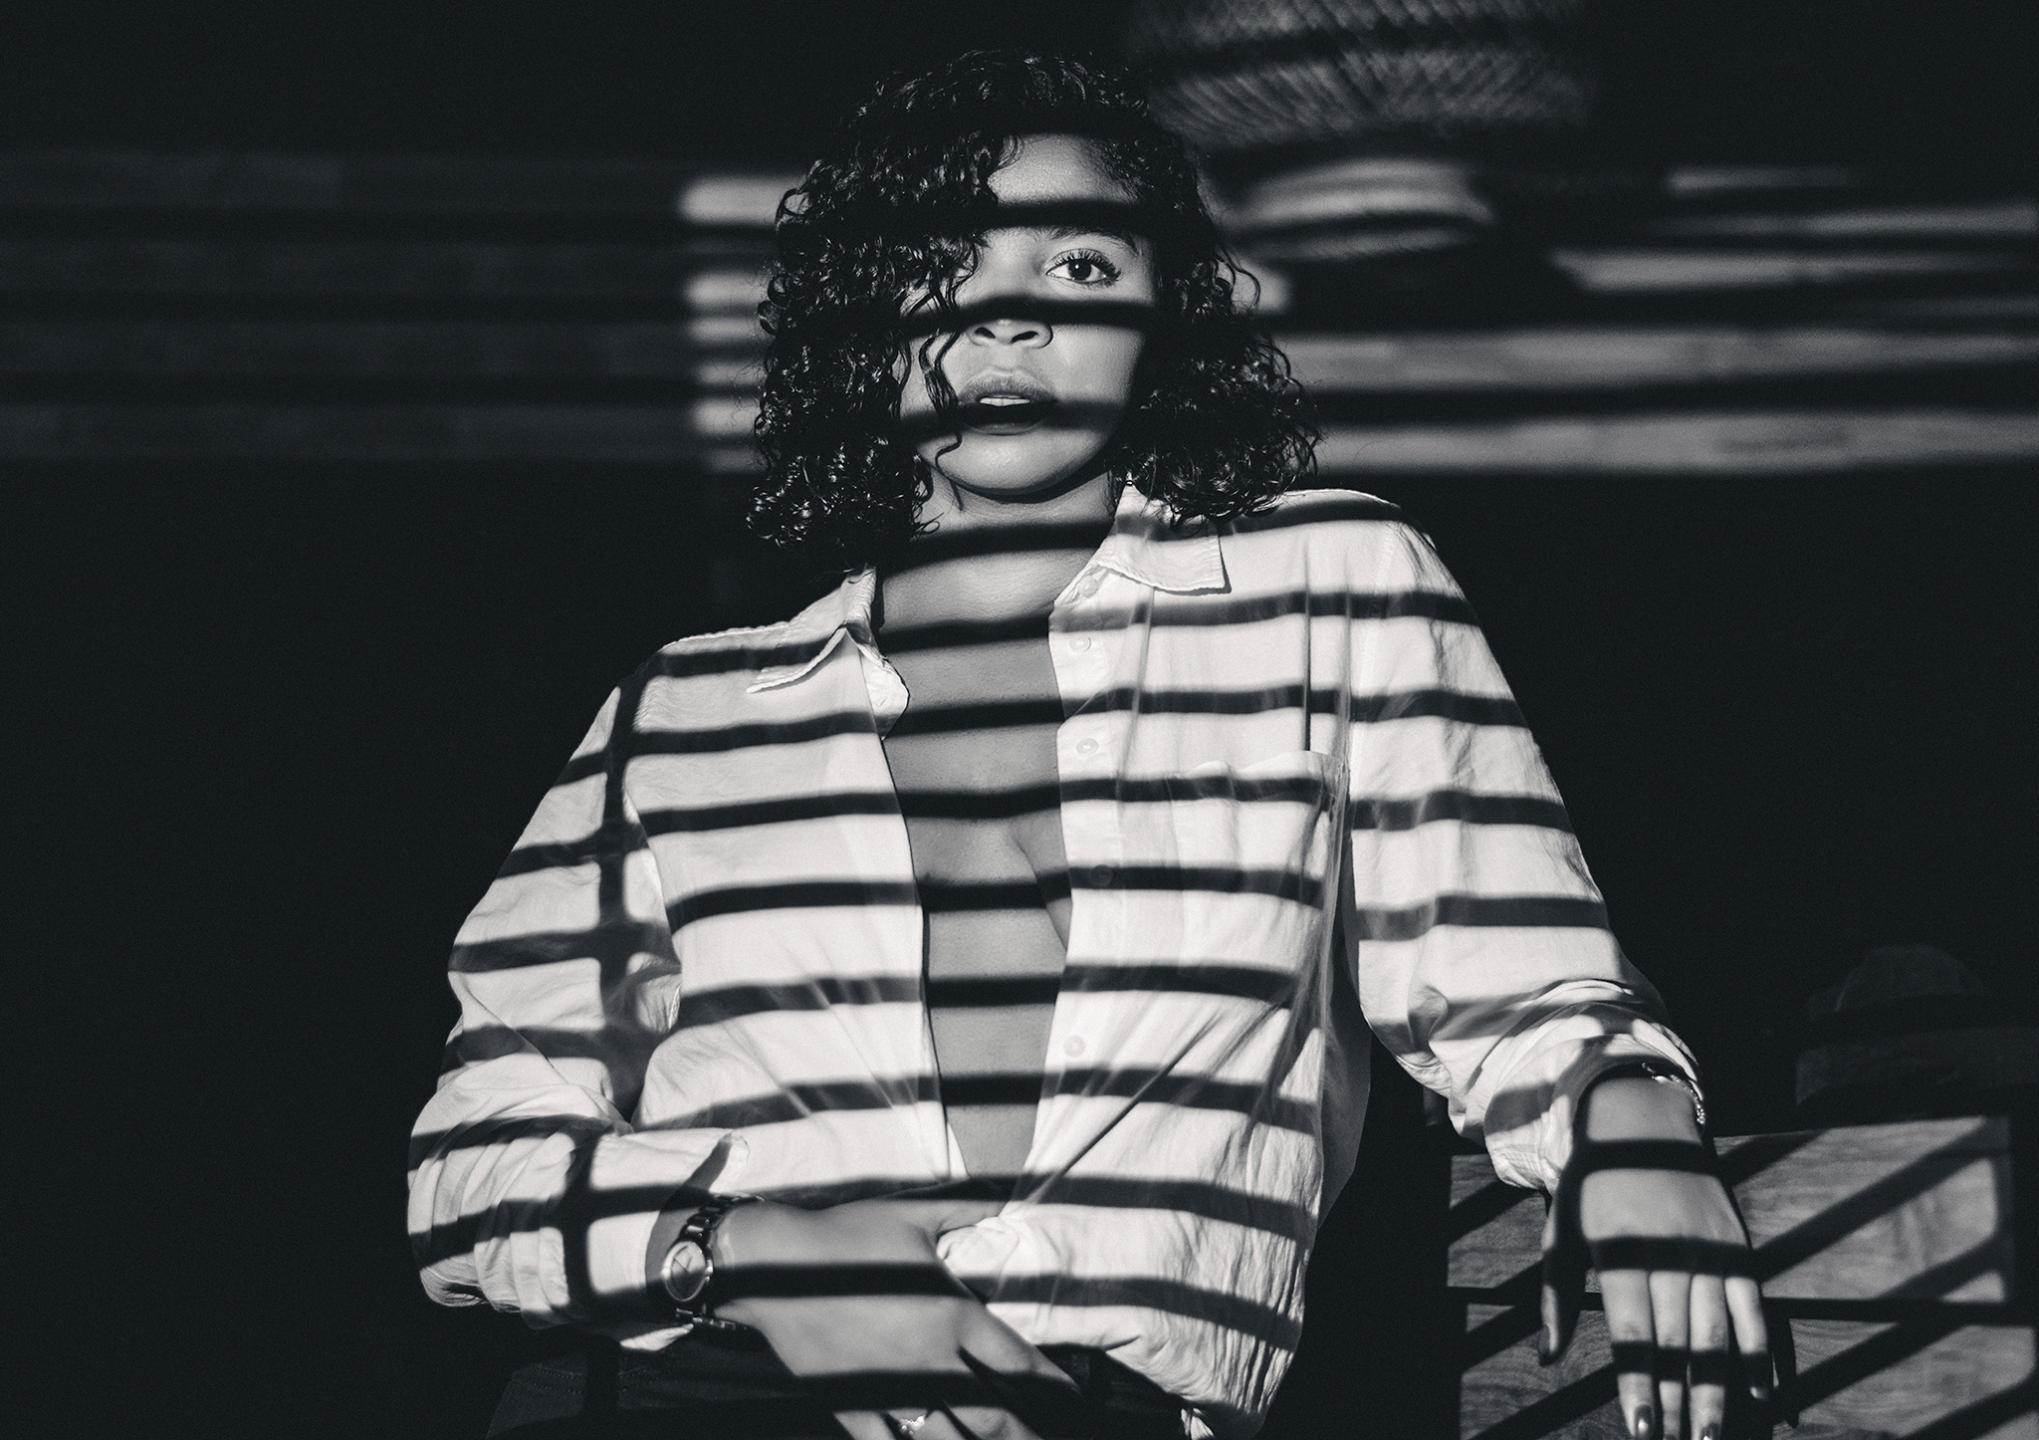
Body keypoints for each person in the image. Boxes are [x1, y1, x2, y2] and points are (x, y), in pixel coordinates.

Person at [408, 50, 1768, 1440]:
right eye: (940, 264)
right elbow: (475, 1160)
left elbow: (1511, 972)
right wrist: (767, 1256)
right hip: (679, 1387)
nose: (1007, 319)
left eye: (1078, 267)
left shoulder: (1328, 584)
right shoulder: (688, 710)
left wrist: (1631, 1122)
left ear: (1158, 315)